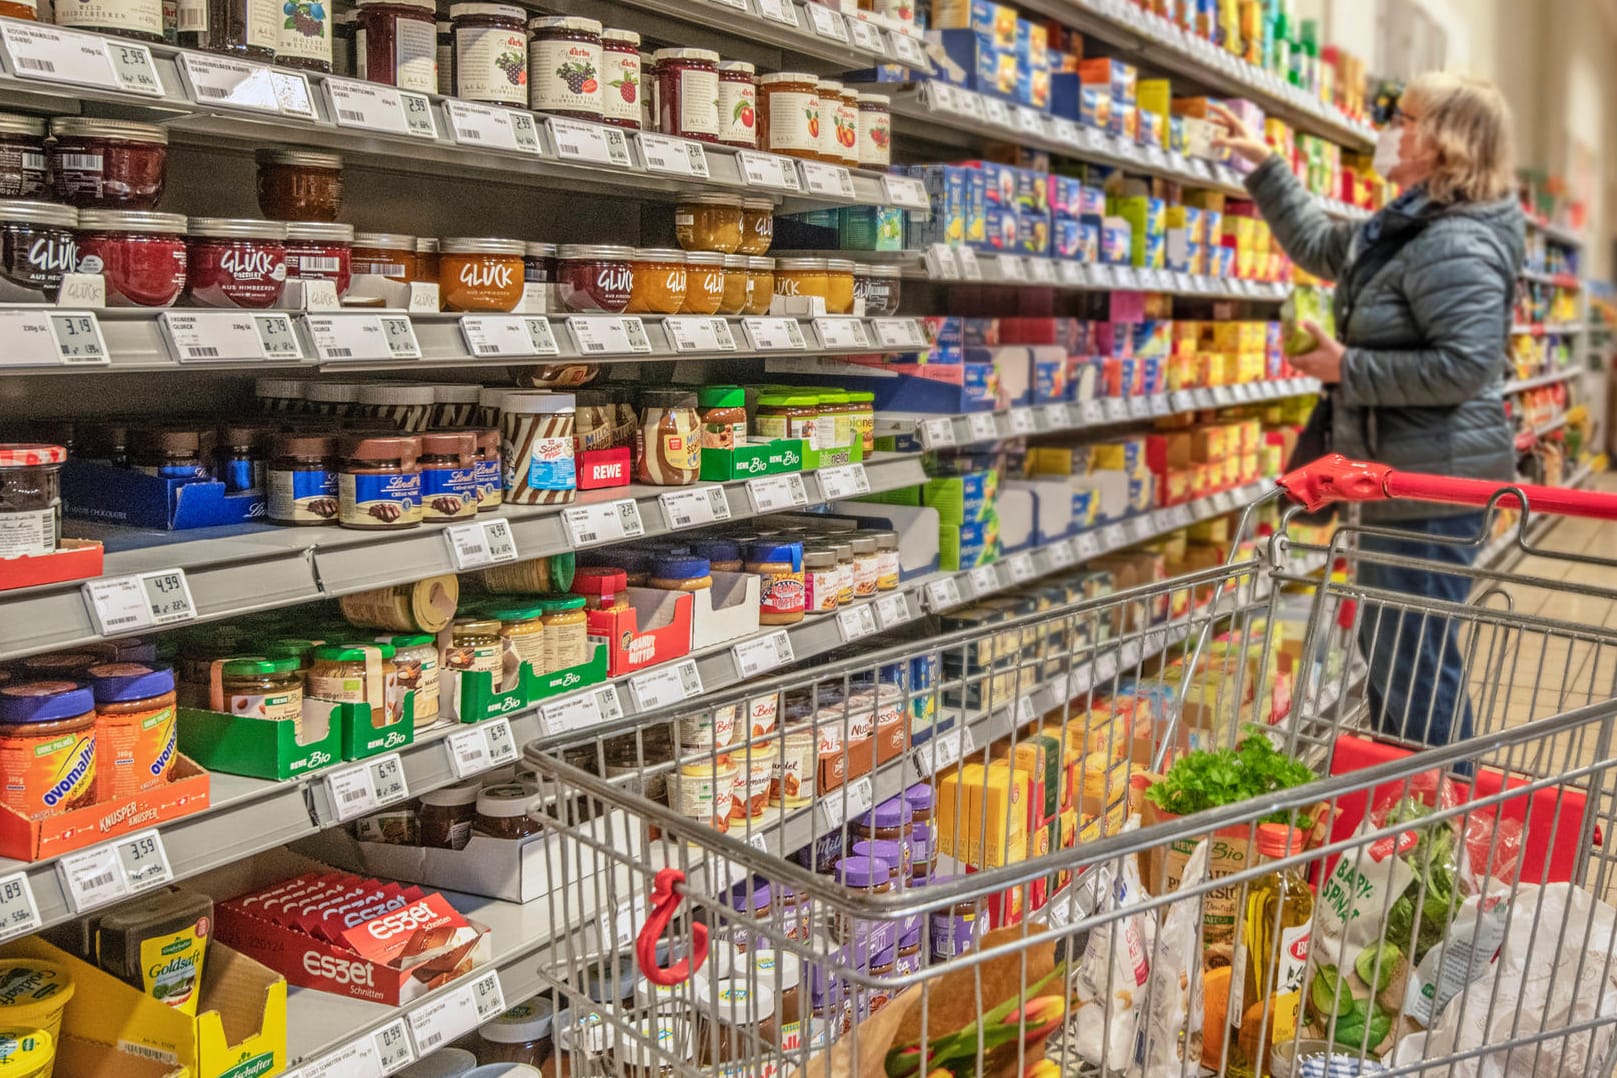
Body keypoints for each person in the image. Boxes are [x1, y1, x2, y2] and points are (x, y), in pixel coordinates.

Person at [1212, 73, 1524, 748]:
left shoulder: (1456, 241)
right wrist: (1264, 166)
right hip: (1400, 472)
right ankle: (1408, 819)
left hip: (1432, 486)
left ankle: (1436, 826)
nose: (1388, 127)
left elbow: (1467, 365)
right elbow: (1323, 246)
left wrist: (1344, 367)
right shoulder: (1410, 224)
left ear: (1442, 142)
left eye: (1401, 117)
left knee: (1411, 663)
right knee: (1392, 655)